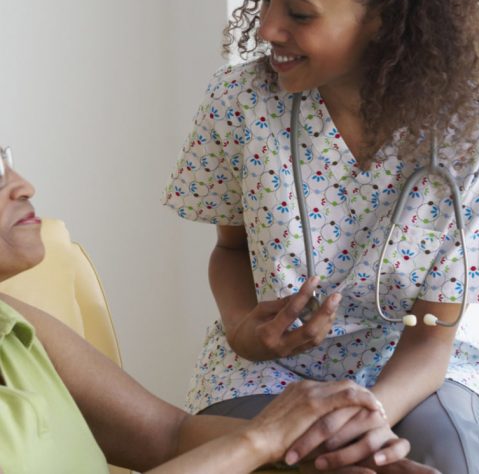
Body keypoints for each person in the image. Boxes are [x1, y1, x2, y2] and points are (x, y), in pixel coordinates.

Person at [164, 0, 479, 473]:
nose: (267, 28)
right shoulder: (240, 104)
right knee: (286, 460)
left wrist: (363, 416)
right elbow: (232, 251)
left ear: (384, 19)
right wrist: (243, 328)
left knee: (449, 456)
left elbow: (431, 331)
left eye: (299, 11)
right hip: (267, 371)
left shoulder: (476, 131)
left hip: (410, 365)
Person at [0, 147, 439, 474]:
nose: (23, 185)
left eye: (7, 158)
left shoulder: (16, 325)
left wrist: (326, 451)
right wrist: (260, 437)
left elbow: (167, 435)